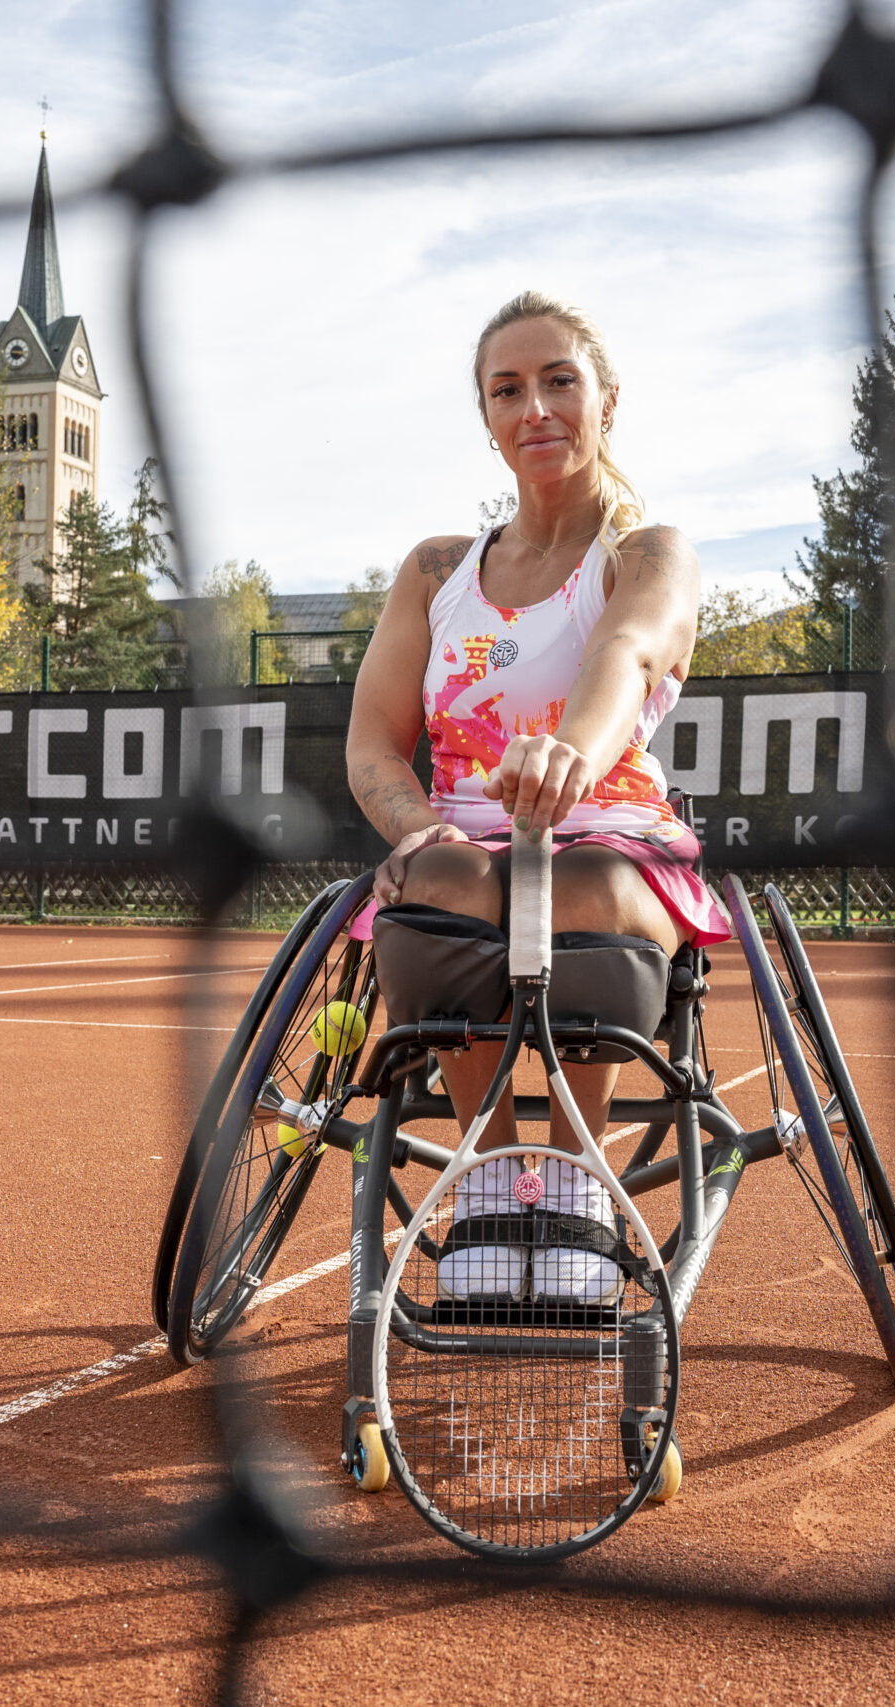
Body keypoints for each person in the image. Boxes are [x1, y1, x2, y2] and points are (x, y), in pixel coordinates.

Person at [344, 291, 729, 1307]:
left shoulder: (649, 553)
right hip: (461, 839)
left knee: (586, 879)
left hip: (609, 831)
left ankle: (572, 1182)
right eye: (506, 390)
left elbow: (627, 649)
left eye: (559, 380)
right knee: (439, 879)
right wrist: (418, 827)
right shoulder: (435, 572)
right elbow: (373, 746)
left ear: (607, 398)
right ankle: (480, 1184)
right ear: (485, 418)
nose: (536, 408)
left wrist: (571, 754)